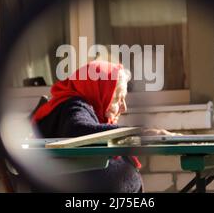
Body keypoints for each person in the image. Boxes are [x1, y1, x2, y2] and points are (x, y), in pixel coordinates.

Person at [32, 60, 178, 192]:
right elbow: (77, 130)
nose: (124, 108)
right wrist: (137, 133)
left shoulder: (71, 104)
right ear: (100, 92)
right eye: (117, 99)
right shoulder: (74, 105)